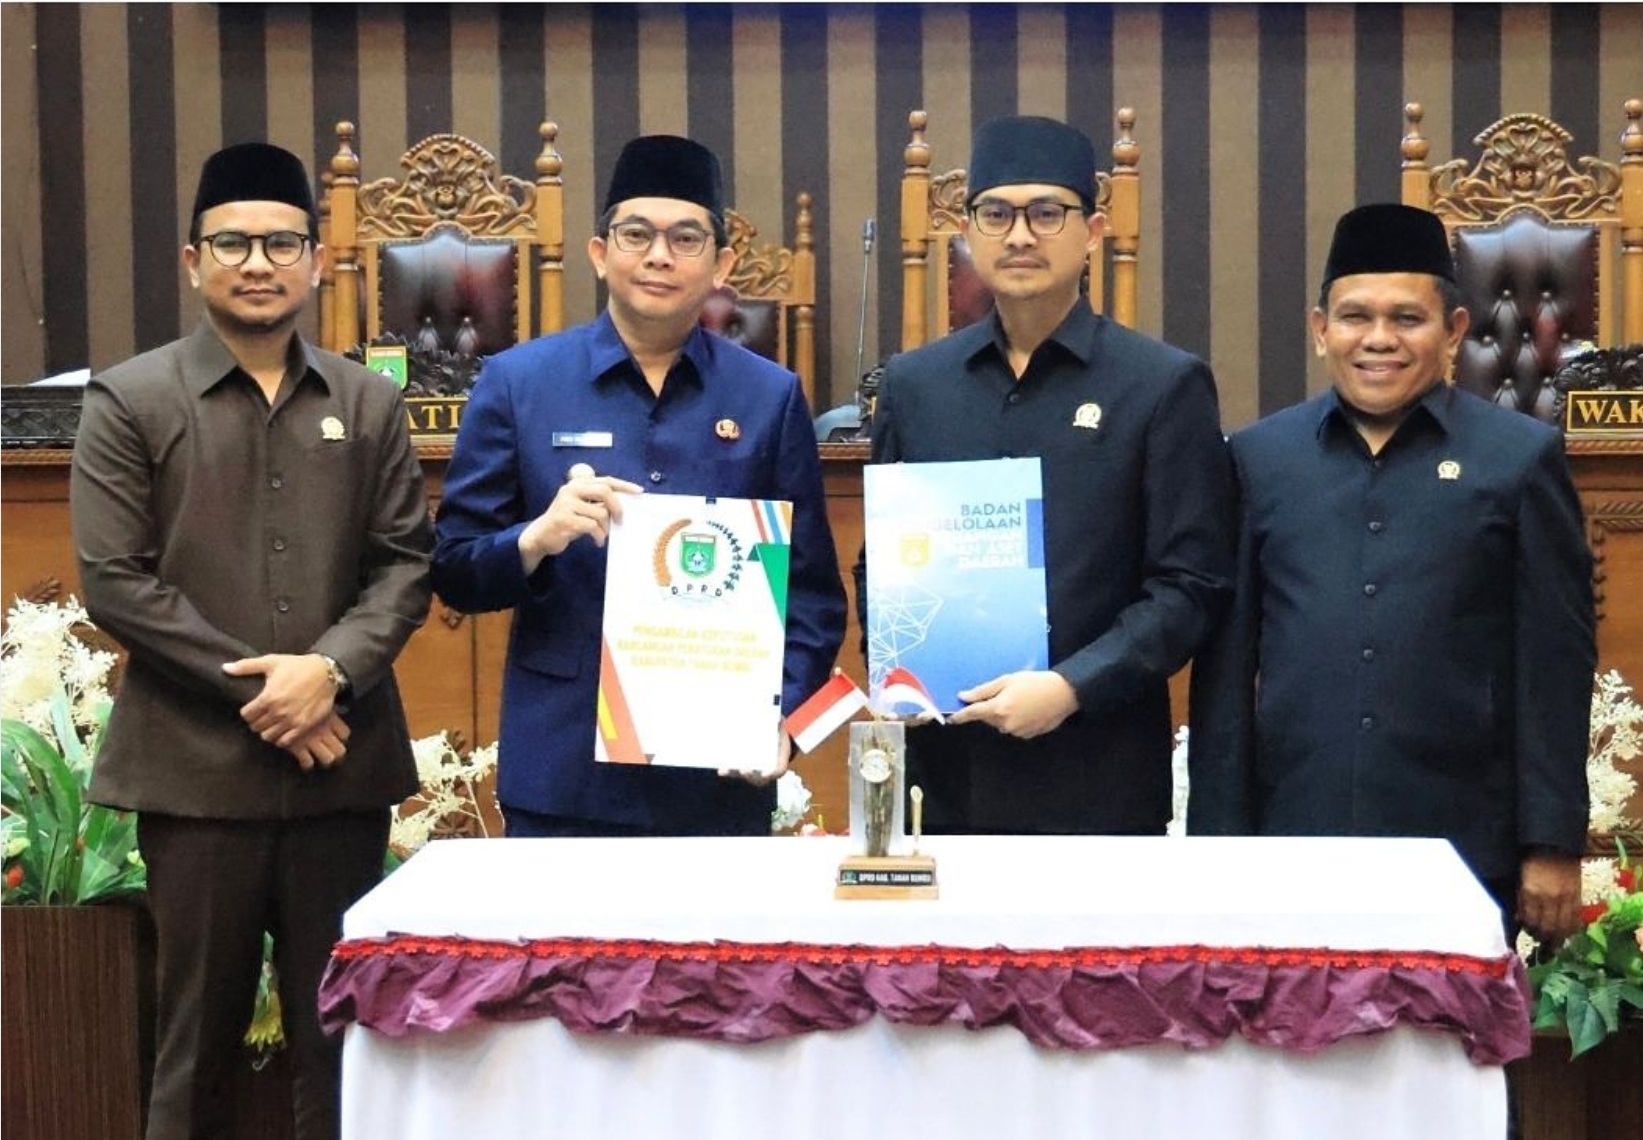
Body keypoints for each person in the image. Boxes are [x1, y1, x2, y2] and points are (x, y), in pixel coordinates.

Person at [70, 143, 433, 1140]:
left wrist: (330, 672)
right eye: (233, 243)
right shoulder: (130, 399)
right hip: (195, 781)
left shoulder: (367, 402)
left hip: (339, 778)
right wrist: (273, 696)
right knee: (194, 1050)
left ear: (316, 261)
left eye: (281, 243)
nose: (259, 262)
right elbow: (117, 580)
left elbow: (405, 563)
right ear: (194, 262)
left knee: (344, 1044)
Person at [1188, 203, 1594, 941]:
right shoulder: (1257, 459)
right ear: (1320, 330)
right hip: (1291, 838)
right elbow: (1225, 670)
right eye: (1355, 317)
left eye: (1407, 318)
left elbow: (1554, 662)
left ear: (1454, 331)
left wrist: (1551, 842)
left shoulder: (1519, 458)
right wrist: (1217, 839)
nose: (1379, 339)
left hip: (1462, 842)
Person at [431, 135, 846, 838]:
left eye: (685, 238)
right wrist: (535, 539)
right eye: (636, 234)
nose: (659, 255)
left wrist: (782, 718)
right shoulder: (518, 383)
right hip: (563, 774)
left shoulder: (768, 397)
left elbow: (811, 597)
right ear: (600, 253)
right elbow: (455, 572)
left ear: (721, 264)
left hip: (716, 776)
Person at [856, 115, 1237, 834]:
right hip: (943, 769)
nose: (1020, 236)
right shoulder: (915, 384)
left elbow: (1191, 586)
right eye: (996, 214)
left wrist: (1071, 686)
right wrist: (899, 668)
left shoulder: (1161, 385)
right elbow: (881, 561)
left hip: (1097, 770)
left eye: (1046, 213)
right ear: (967, 231)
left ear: (1092, 232)